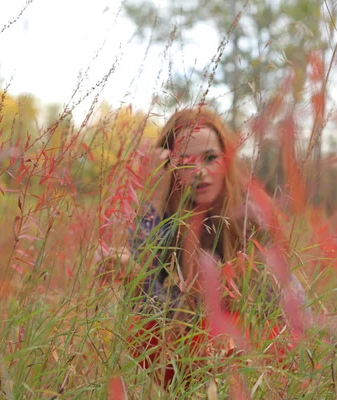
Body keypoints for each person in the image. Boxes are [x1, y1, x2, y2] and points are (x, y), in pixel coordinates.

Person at [103, 107, 309, 390]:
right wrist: (133, 279)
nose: (199, 172)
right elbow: (157, 320)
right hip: (188, 366)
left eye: (210, 158)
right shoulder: (157, 225)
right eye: (185, 161)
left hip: (252, 364)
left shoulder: (250, 218)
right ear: (170, 167)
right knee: (138, 321)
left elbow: (289, 309)